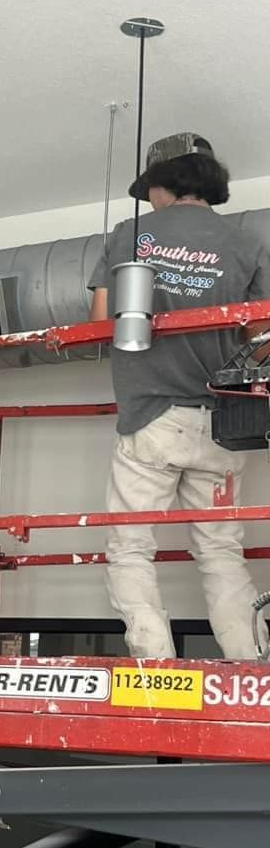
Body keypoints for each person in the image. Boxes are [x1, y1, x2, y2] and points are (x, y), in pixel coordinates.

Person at [88, 132, 270, 660]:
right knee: (220, 550)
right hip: (225, 428)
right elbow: (258, 344)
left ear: (162, 183)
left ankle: (155, 666)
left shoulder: (132, 235)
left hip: (152, 418)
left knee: (130, 547)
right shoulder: (245, 244)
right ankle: (253, 666)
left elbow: (101, 324)